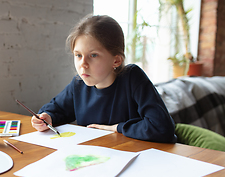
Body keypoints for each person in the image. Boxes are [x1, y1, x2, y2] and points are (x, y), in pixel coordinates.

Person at [31, 14, 177, 143]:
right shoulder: (79, 84)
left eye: (93, 55)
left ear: (116, 61)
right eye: (78, 55)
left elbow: (162, 127)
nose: (83, 64)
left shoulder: (132, 78)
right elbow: (56, 109)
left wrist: (116, 128)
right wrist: (47, 117)